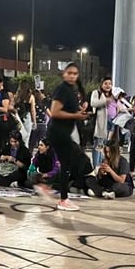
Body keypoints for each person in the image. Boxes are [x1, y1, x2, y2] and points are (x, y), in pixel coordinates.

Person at [40, 62, 89, 211]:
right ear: (64, 74)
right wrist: (76, 115)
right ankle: (60, 197)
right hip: (58, 132)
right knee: (75, 160)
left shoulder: (70, 90)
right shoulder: (62, 89)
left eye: (75, 74)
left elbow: (69, 109)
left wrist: (80, 111)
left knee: (67, 163)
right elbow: (54, 112)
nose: (72, 76)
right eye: (70, 73)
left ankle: (50, 189)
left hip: (63, 132)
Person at [89, 76, 115, 168]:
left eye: (110, 84)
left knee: (104, 145)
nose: (108, 86)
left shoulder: (112, 95)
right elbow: (93, 103)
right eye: (106, 83)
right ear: (101, 84)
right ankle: (96, 166)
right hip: (101, 123)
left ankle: (101, 164)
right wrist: (105, 101)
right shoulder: (97, 93)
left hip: (111, 122)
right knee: (98, 145)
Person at [14, 78, 37, 146]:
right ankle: (25, 151)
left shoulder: (16, 96)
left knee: (18, 136)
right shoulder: (31, 97)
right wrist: (34, 121)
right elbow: (33, 110)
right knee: (26, 137)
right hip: (27, 117)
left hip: (17, 117)